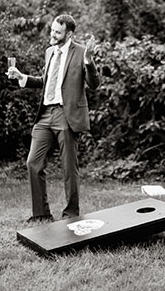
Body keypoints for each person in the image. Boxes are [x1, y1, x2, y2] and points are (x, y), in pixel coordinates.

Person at [7, 14, 99, 222]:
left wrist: (89, 60)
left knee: (68, 167)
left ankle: (71, 214)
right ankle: (41, 214)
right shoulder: (50, 52)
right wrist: (22, 77)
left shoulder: (81, 53)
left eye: (57, 32)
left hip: (67, 115)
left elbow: (94, 83)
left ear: (69, 34)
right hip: (45, 114)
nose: (53, 35)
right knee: (33, 162)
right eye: (52, 31)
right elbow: (45, 81)